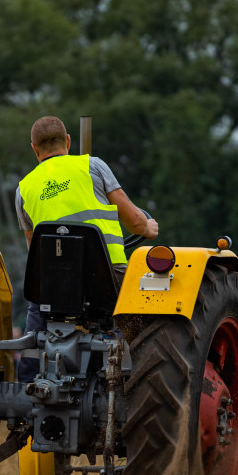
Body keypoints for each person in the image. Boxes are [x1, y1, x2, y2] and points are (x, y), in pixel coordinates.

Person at [15, 115, 158, 382]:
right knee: (143, 327)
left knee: (36, 313)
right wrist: (147, 228)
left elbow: (34, 251)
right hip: (108, 282)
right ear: (68, 141)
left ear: (34, 149)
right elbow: (135, 221)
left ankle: (29, 380)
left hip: (55, 289)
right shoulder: (93, 166)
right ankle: (140, 378)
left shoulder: (23, 190)